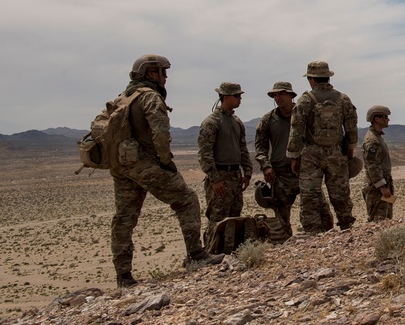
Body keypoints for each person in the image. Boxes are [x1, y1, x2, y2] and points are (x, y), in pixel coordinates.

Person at [111, 54, 222, 288]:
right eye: (162, 71)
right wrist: (165, 162)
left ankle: (123, 277)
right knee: (187, 200)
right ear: (150, 73)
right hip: (145, 163)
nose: (166, 77)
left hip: (122, 165)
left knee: (124, 219)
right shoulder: (150, 97)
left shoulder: (124, 97)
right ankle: (197, 255)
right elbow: (160, 134)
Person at [287, 61, 359, 232]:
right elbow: (351, 128)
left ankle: (313, 232)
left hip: (311, 154)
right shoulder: (343, 99)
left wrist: (294, 156)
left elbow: (296, 130)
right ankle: (347, 227)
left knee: (310, 195)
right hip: (336, 153)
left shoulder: (305, 100)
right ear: (328, 77)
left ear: (312, 79)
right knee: (340, 193)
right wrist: (349, 150)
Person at [253, 81, 332, 236]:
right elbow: (260, 147)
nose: (278, 98)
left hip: (306, 171)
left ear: (291, 95)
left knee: (322, 213)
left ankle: (326, 242)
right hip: (280, 175)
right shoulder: (268, 120)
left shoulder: (305, 114)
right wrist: (265, 166)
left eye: (281, 94)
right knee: (281, 221)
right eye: (275, 95)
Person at [198, 82, 252, 245]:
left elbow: (243, 149)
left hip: (235, 176)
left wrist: (247, 172)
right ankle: (210, 253)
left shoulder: (236, 122)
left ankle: (231, 253)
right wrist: (215, 179)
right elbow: (205, 153)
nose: (240, 99)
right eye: (237, 96)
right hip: (220, 176)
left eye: (240, 96)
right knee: (217, 219)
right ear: (226, 97)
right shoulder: (212, 122)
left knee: (235, 218)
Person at [362, 105, 394, 222]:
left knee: (386, 220)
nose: (388, 119)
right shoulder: (372, 140)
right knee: (378, 222)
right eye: (385, 117)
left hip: (382, 184)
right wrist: (382, 186)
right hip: (377, 188)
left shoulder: (377, 137)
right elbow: (372, 166)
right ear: (377, 119)